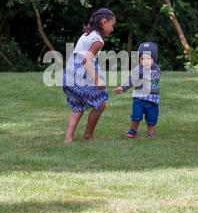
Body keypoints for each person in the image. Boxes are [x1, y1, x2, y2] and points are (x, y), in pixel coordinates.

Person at [62, 8, 116, 143]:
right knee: (100, 104)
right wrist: (97, 79)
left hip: (69, 74)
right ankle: (87, 134)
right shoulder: (98, 40)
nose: (112, 29)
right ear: (104, 22)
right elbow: (86, 59)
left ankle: (68, 139)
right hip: (81, 73)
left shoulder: (87, 34)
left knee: (78, 106)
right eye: (112, 25)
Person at [112, 42, 161, 138]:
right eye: (142, 58)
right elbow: (131, 79)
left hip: (152, 99)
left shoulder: (157, 69)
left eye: (148, 58)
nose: (145, 61)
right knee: (136, 116)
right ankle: (133, 130)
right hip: (139, 98)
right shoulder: (138, 69)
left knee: (152, 118)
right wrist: (122, 87)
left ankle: (151, 133)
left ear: (154, 59)